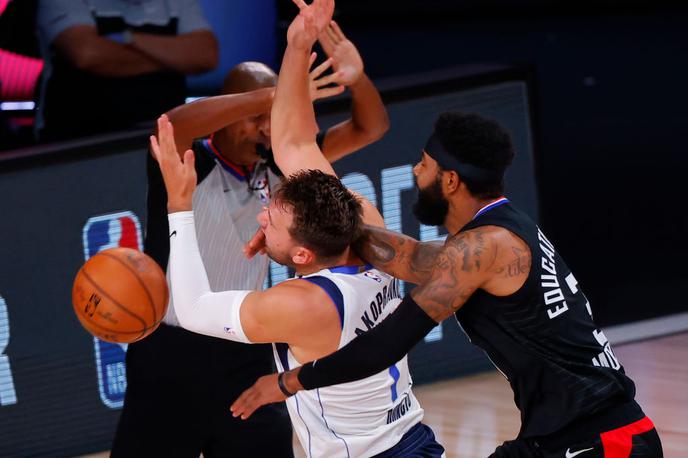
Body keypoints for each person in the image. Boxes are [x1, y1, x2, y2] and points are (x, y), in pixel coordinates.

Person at [231, 115, 664, 456]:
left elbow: (383, 346)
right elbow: (399, 254)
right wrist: (291, 239)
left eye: (424, 164)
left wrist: (287, 383)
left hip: (604, 441)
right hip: (563, 436)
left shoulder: (485, 247)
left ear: (450, 180)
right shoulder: (495, 234)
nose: (416, 171)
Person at [147, 1, 445, 456]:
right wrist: (297, 46)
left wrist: (179, 205)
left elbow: (195, 308)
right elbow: (296, 142)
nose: (263, 215)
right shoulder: (372, 233)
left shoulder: (302, 302)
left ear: (303, 255)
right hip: (409, 437)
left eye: (275, 216)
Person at [35, 0, 218, 141]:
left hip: (159, 142)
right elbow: (87, 55)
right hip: (75, 144)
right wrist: (175, 58)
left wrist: (126, 38)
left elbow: (206, 55)